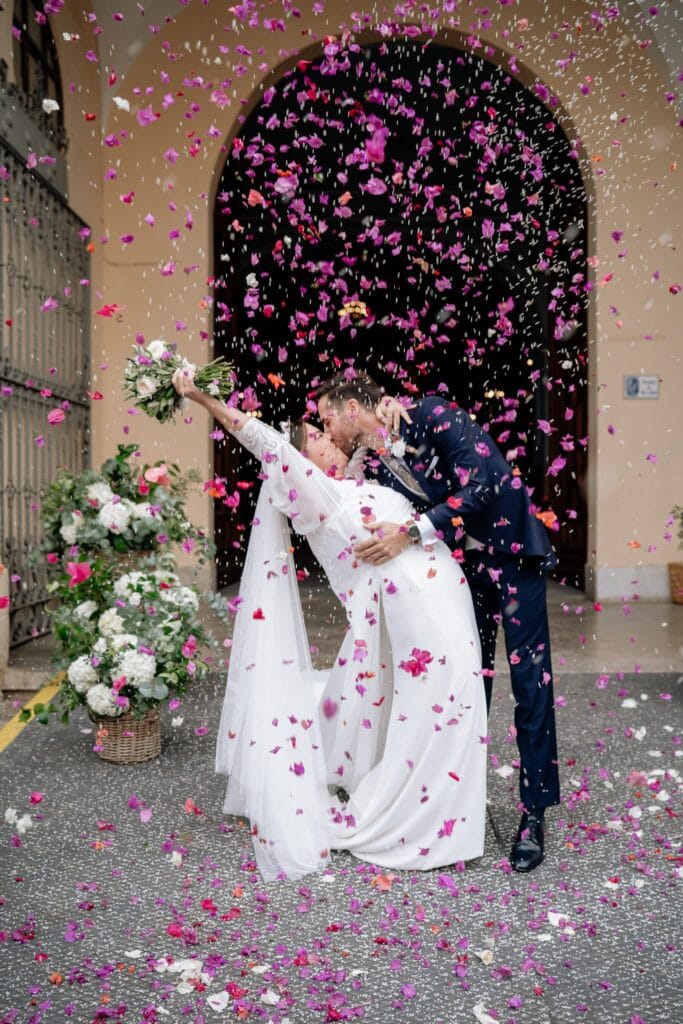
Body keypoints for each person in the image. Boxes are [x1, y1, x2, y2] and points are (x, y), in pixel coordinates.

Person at [171, 368, 487, 881]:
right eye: (315, 435)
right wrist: (199, 394)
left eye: (323, 425)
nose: (325, 436)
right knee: (443, 705)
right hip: (419, 615)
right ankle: (421, 824)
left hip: (442, 598)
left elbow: (368, 429)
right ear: (300, 460)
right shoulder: (316, 493)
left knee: (456, 701)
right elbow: (256, 435)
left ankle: (446, 819)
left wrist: (386, 410)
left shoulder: (351, 480)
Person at [316, 371, 560, 873]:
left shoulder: (430, 413)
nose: (327, 431)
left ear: (351, 409)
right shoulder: (378, 463)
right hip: (461, 571)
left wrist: (410, 532)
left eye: (326, 419)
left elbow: (487, 482)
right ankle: (456, 803)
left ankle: (534, 815)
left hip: (514, 557)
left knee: (531, 689)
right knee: (468, 686)